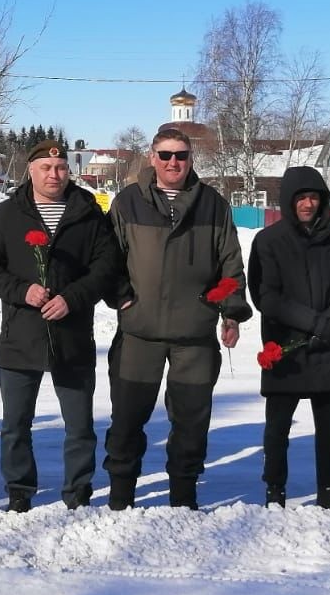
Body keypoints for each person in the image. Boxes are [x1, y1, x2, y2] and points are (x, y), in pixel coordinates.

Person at [103, 128, 251, 510]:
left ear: (190, 159)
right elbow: (108, 259)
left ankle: (183, 499)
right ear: (152, 157)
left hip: (194, 335)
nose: (173, 162)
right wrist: (122, 298)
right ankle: (121, 498)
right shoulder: (128, 202)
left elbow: (230, 265)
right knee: (127, 419)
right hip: (140, 332)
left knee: (190, 422)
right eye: (166, 155)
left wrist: (230, 312)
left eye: (181, 156)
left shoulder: (213, 204)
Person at [0, 140, 123, 511]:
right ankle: (19, 491)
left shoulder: (87, 213)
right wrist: (21, 290)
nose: (54, 174)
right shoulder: (9, 213)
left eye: (60, 168)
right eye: (45, 167)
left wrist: (72, 298)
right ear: (31, 170)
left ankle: (77, 492)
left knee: (79, 425)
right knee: (15, 426)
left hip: (71, 334)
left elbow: (106, 267)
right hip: (21, 334)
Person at [247, 166, 330, 509]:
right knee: (278, 428)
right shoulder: (269, 241)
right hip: (287, 348)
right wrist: (314, 322)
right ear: (288, 201)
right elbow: (266, 296)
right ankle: (275, 489)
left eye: (314, 197)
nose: (308, 204)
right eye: (301, 198)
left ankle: (329, 488)